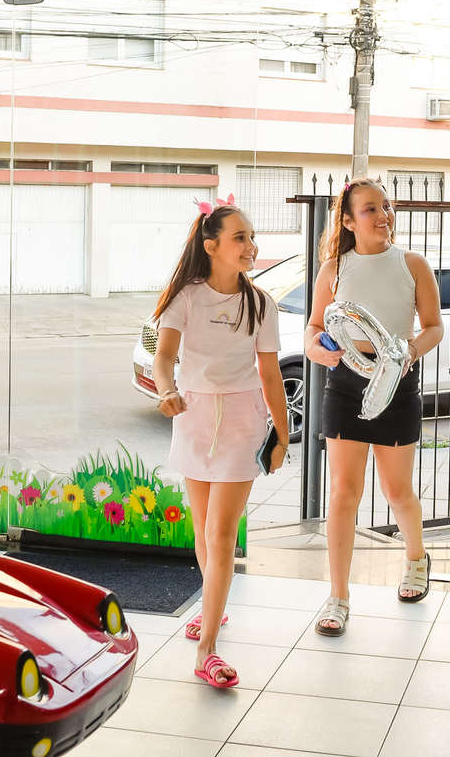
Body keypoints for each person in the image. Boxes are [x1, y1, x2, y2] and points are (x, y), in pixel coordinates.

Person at [152, 199, 288, 689]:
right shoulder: (185, 297)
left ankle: (206, 649)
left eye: (252, 238)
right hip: (192, 415)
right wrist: (166, 390)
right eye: (240, 238)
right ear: (211, 246)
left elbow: (271, 376)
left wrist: (283, 432)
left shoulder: (261, 303)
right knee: (201, 527)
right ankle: (214, 606)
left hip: (240, 420)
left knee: (221, 534)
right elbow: (164, 356)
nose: (252, 246)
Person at [303, 178, 444, 635]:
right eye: (370, 209)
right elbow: (314, 327)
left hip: (397, 382)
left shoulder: (413, 264)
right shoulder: (333, 270)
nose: (383, 215)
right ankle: (338, 597)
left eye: (386, 206)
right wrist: (315, 349)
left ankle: (416, 558)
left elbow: (435, 327)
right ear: (347, 220)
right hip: (345, 382)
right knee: (344, 493)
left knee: (397, 491)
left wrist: (408, 353)